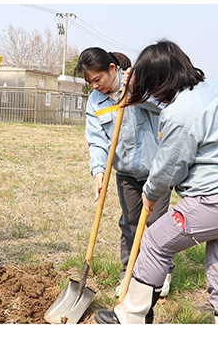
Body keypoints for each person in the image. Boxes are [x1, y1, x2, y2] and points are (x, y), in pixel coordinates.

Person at [94, 40, 218, 324]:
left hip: (216, 200)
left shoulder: (179, 113)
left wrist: (149, 194)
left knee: (154, 241)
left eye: (152, 84)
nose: (153, 94)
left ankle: (130, 317)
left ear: (161, 80)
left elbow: (168, 168)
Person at [77, 47, 173, 296]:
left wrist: (136, 93)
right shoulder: (95, 102)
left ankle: (161, 276)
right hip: (125, 173)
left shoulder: (139, 84)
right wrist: (98, 171)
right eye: (90, 83)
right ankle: (127, 275)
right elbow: (97, 140)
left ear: (112, 69)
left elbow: (166, 107)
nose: (95, 86)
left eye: (97, 80)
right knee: (129, 224)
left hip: (157, 171)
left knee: (155, 225)